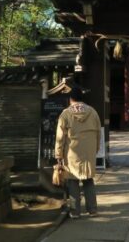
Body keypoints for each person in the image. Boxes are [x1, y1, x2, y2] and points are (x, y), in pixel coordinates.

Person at [54, 87, 101, 218]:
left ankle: (75, 211)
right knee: (88, 180)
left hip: (72, 152)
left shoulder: (65, 114)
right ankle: (93, 210)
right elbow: (98, 133)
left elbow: (60, 137)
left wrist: (58, 155)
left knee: (73, 181)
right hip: (88, 152)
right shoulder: (92, 112)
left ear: (70, 99)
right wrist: (95, 149)